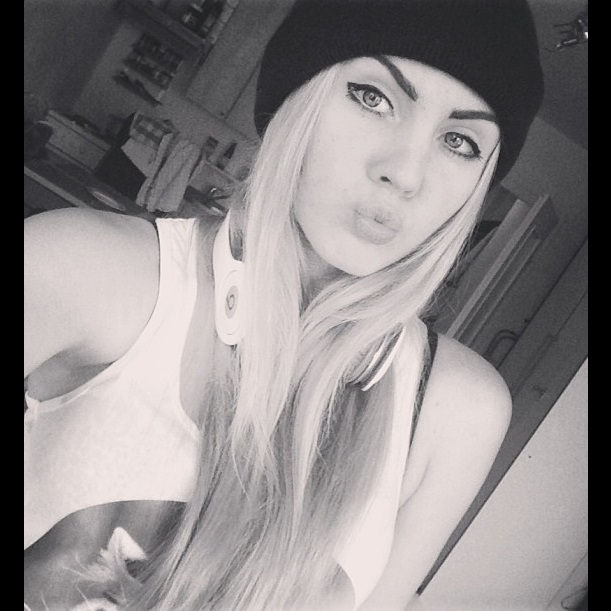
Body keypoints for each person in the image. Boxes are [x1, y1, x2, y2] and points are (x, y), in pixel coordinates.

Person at [24, 0, 544, 608]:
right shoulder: (81, 266)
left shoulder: (459, 411)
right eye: (373, 98)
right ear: (296, 99)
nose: (405, 173)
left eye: (459, 141)